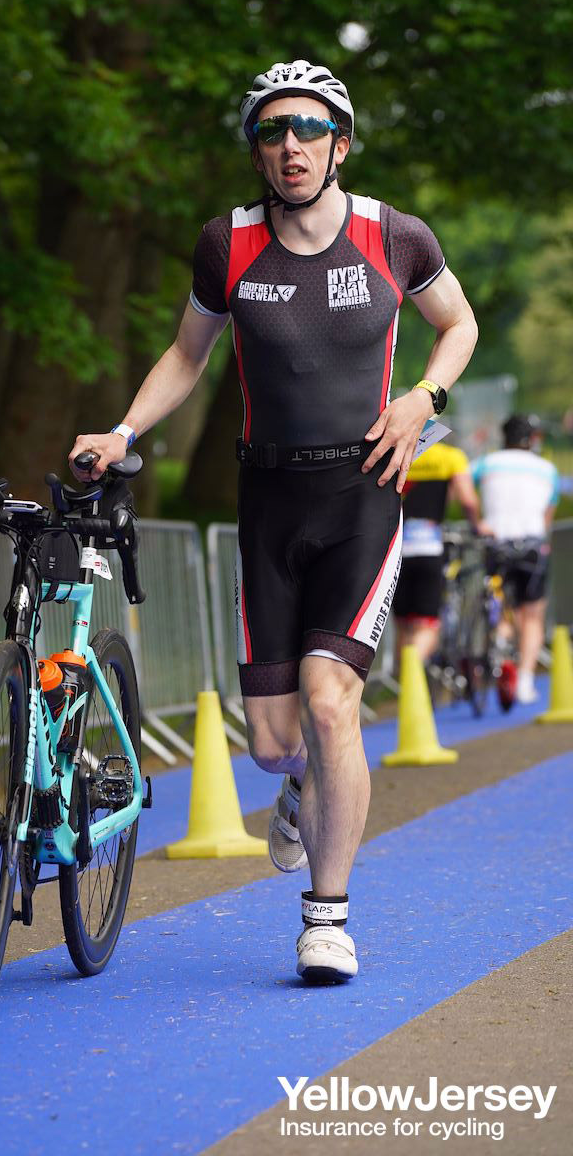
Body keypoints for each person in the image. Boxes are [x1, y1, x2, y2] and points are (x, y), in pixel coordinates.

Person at [68, 59, 478, 984]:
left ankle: (326, 920)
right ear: (256, 150)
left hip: (364, 491)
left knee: (332, 701)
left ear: (340, 144)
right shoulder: (228, 244)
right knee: (273, 744)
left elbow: (459, 325)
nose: (290, 146)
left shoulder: (394, 235)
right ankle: (301, 786)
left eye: (309, 129)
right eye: (271, 131)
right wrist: (122, 430)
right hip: (268, 500)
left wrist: (424, 396)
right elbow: (187, 355)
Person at [471, 414, 559, 704]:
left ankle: (500, 638)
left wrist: (477, 520)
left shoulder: (486, 463)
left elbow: (463, 487)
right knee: (532, 615)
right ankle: (525, 681)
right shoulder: (547, 469)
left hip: (496, 542)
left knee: (500, 604)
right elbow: (547, 516)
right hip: (531, 544)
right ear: (533, 439)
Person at [393, 440, 481, 664]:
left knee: (403, 625)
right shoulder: (450, 456)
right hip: (429, 546)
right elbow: (468, 500)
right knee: (428, 625)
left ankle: (403, 678)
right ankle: (411, 675)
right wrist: (478, 526)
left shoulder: (396, 451)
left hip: (395, 548)